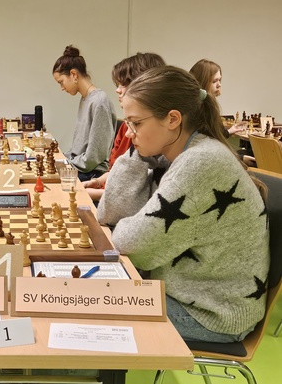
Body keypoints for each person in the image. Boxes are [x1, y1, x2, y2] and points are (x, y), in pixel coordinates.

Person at [97, 66, 269, 343]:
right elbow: (110, 215)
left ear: (173, 119)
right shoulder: (173, 154)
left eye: (136, 123)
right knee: (88, 294)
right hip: (185, 293)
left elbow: (131, 246)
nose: (128, 133)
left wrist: (123, 227)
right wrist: (138, 156)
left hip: (211, 313)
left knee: (90, 311)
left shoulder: (200, 162)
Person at [83, 52, 166, 201]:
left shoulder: (155, 142)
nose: (117, 90)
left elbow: (137, 194)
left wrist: (93, 194)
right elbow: (116, 171)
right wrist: (97, 182)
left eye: (124, 85)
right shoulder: (124, 129)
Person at [52, 45, 116, 181]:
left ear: (73, 74)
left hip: (91, 173)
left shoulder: (99, 101)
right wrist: (62, 158)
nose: (62, 88)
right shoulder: (85, 99)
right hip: (81, 167)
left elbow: (94, 157)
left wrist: (66, 163)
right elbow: (79, 149)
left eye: (61, 82)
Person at [189, 59, 246, 137]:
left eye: (219, 80)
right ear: (202, 81)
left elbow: (212, 134)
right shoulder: (202, 108)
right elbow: (212, 136)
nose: (219, 85)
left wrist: (229, 131)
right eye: (214, 81)